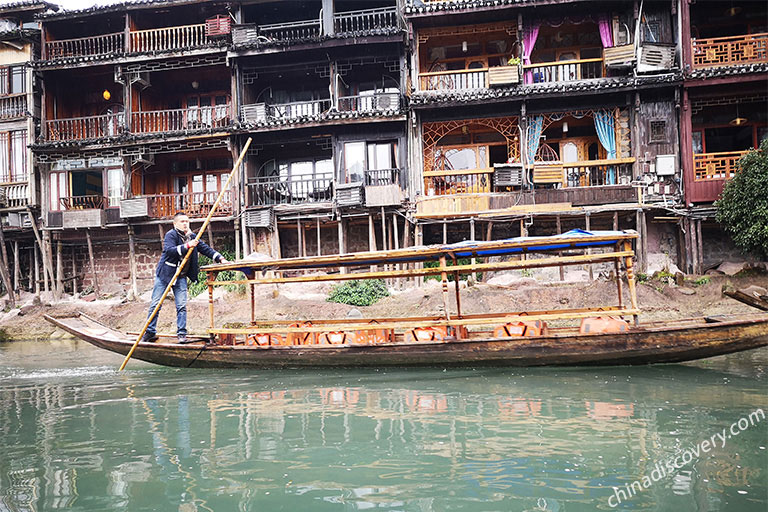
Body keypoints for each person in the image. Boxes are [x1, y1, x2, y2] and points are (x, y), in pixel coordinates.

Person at [143, 212, 228, 344]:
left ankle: (182, 334)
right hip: (165, 275)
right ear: (175, 223)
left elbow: (205, 249)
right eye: (182, 221)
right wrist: (187, 246)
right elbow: (169, 250)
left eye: (187, 221)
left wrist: (220, 258)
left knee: (181, 306)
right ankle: (150, 331)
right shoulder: (170, 235)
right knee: (155, 304)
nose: (185, 224)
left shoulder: (192, 237)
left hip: (181, 276)